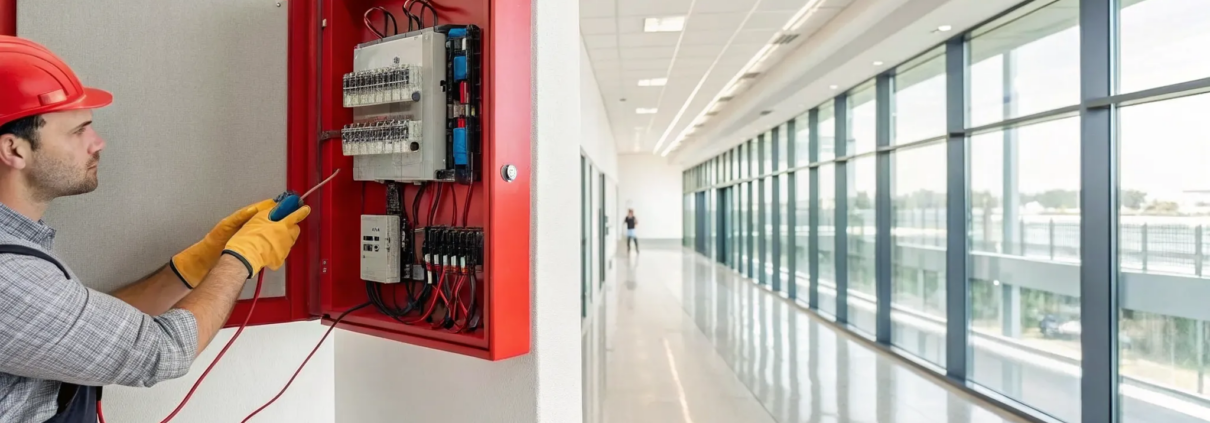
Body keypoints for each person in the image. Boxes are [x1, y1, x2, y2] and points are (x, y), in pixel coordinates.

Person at [0, 35, 310, 422]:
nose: (98, 143)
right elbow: (162, 352)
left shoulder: (18, 246)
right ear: (13, 150)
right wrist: (240, 259)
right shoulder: (9, 276)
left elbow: (89, 331)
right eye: (78, 131)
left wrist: (191, 267)